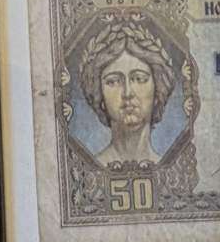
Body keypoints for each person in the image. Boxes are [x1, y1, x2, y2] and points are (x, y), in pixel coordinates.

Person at [73, 14, 182, 168]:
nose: (128, 93)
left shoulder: (170, 167)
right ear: (100, 97)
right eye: (113, 81)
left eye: (139, 79)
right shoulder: (89, 168)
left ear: (157, 92)